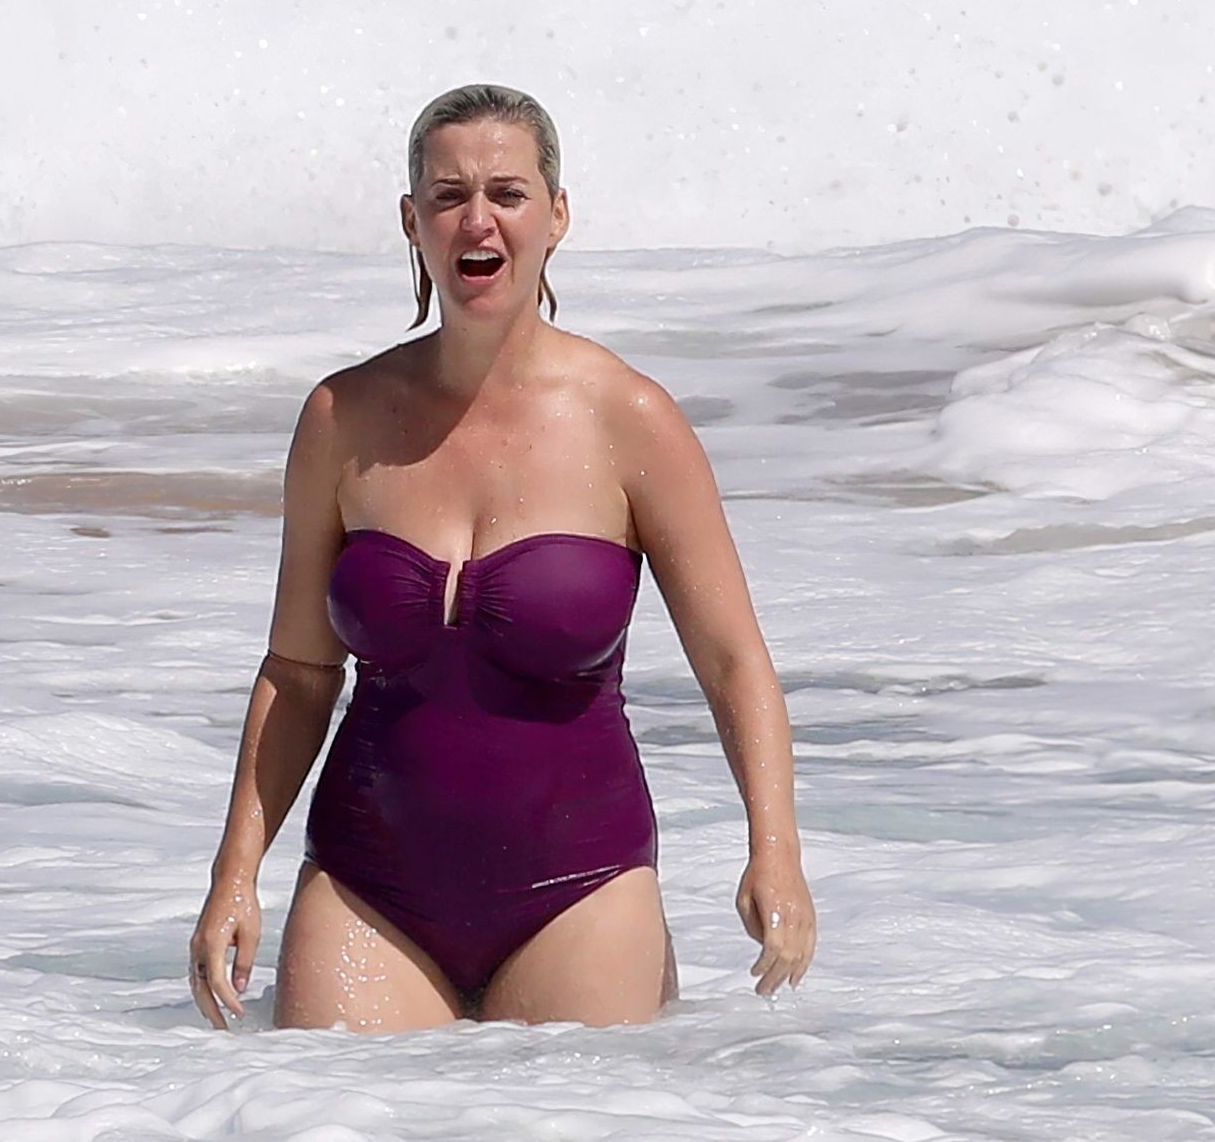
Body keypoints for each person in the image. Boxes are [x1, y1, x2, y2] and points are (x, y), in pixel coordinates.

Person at [189, 83, 814, 1033]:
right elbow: (300, 670)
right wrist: (236, 873)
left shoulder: (630, 419)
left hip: (581, 889)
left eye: (507, 193)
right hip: (366, 887)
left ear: (557, 215)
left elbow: (734, 662)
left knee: (565, 1108)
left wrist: (777, 852)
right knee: (321, 1105)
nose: (477, 219)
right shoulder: (341, 419)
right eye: (448, 196)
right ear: (413, 221)